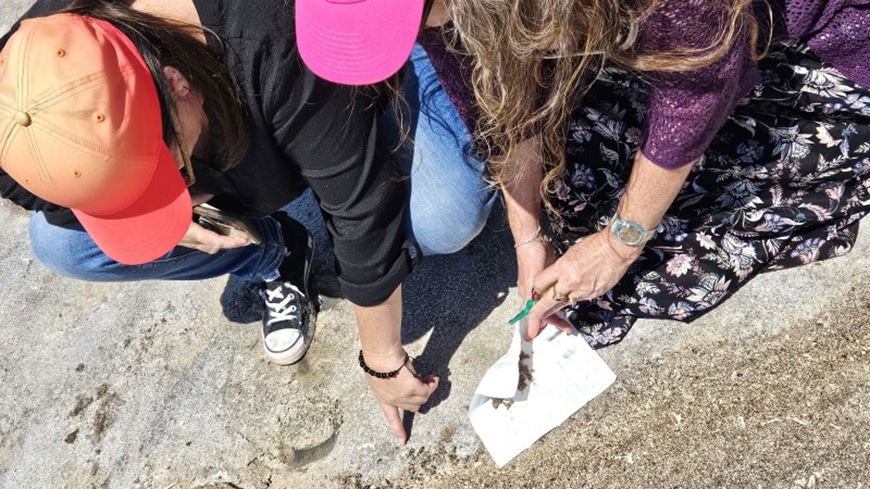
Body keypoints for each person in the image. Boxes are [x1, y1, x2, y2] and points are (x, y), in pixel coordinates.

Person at [0, 0, 493, 443]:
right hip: (250, 126)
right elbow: (13, 181)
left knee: (444, 218)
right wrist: (169, 215)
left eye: (165, 172)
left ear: (176, 82)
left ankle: (421, 45)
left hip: (343, 63)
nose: (171, 191)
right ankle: (274, 252)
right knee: (61, 245)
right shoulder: (29, 73)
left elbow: (360, 205)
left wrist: (382, 359)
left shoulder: (269, 38)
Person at [410, 0, 870, 345]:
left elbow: (697, 88)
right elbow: (494, 97)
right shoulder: (432, 11)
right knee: (580, 179)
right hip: (675, 43)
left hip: (817, 44)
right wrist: (526, 232)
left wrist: (618, 245)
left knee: (676, 252)